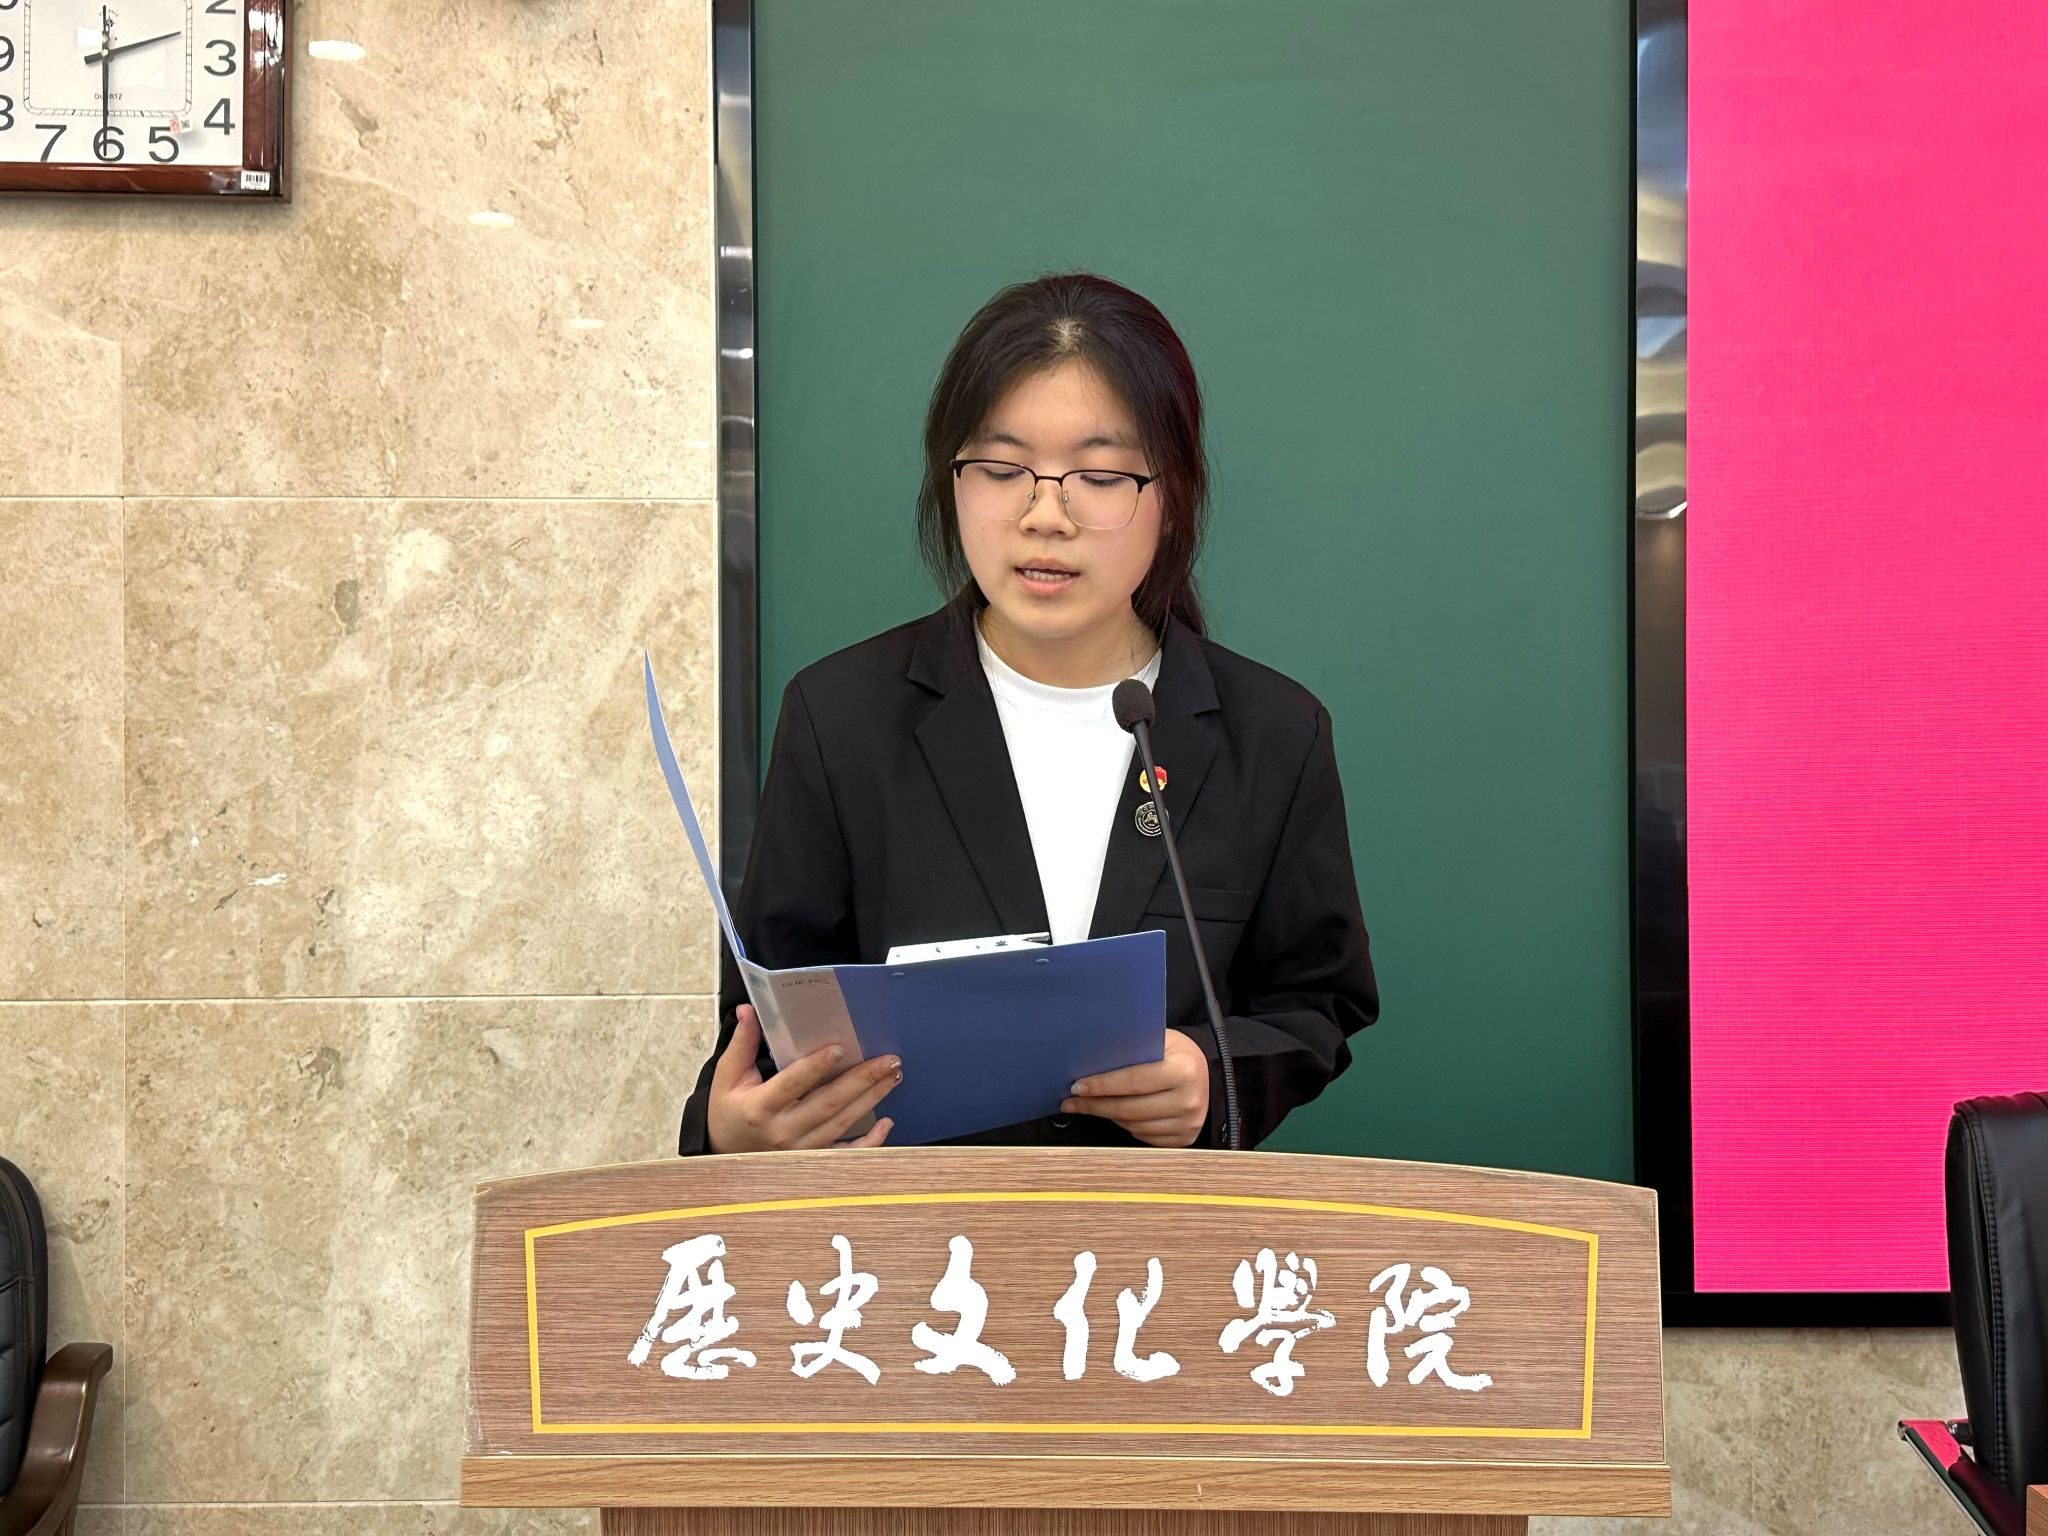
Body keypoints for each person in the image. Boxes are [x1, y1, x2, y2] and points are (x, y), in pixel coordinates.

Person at [677, 272, 1377, 1155]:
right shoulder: (840, 717)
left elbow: (1317, 1007)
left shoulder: (1272, 732)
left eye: (1100, 475)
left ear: (1171, 497)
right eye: (1003, 470)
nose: (1045, 515)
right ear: (952, 480)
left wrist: (1211, 1075)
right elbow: (760, 1029)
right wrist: (731, 1132)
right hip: (916, 1229)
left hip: (1157, 1230)